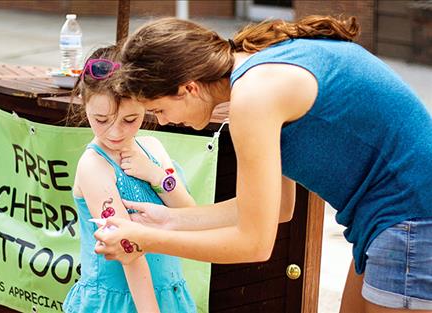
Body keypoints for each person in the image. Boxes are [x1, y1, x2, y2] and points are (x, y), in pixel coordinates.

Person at [93, 16, 432, 312]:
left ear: (189, 88)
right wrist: (168, 220)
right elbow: (279, 209)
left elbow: (254, 243)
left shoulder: (253, 98)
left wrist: (145, 239)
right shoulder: (256, 70)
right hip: (394, 217)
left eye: (159, 110)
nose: (164, 122)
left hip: (413, 218)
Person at [63, 46, 197, 313]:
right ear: (83, 103)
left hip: (167, 292)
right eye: (101, 119)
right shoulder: (94, 165)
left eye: (130, 119)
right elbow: (129, 251)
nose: (114, 132)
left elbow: (191, 217)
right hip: (119, 302)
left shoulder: (153, 148)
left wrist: (156, 175)